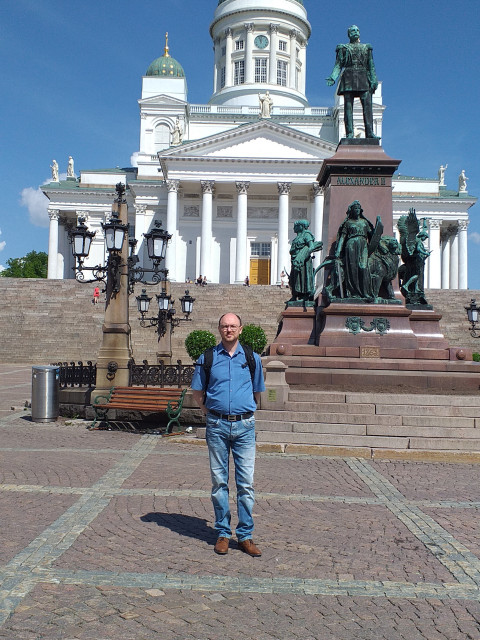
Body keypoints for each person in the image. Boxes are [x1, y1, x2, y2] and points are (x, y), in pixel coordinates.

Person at [191, 313, 265, 557]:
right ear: (219, 329)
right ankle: (223, 532)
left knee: (246, 484)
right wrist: (211, 413)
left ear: (240, 329)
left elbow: (257, 393)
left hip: (244, 427)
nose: (229, 330)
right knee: (219, 482)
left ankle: (245, 536)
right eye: (224, 326)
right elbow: (198, 392)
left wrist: (245, 412)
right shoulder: (208, 358)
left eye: (233, 326)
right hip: (217, 426)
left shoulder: (253, 358)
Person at [326, 25, 379, 139]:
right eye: (352, 31)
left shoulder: (366, 48)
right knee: (348, 107)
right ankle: (349, 133)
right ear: (349, 34)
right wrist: (333, 77)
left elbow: (371, 65)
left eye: (356, 30)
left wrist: (373, 80)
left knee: (367, 106)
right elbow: (338, 65)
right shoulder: (343, 48)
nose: (355, 32)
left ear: (359, 33)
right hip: (348, 76)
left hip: (363, 77)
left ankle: (369, 132)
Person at [334, 201, 378, 300]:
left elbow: (372, 236)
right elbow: (342, 237)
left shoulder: (364, 222)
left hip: (363, 245)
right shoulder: (348, 223)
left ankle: (365, 293)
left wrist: (377, 231)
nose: (357, 210)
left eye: (358, 208)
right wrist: (338, 251)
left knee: (363, 267)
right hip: (351, 245)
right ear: (352, 211)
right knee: (352, 269)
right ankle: (353, 292)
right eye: (355, 208)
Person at [288, 219, 323, 302]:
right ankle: (295, 295)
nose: (294, 228)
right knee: (293, 278)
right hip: (295, 260)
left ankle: (305, 296)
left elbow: (311, 246)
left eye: (296, 226)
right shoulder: (297, 237)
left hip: (303, 261)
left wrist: (302, 255)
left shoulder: (307, 235)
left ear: (301, 226)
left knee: (302, 278)